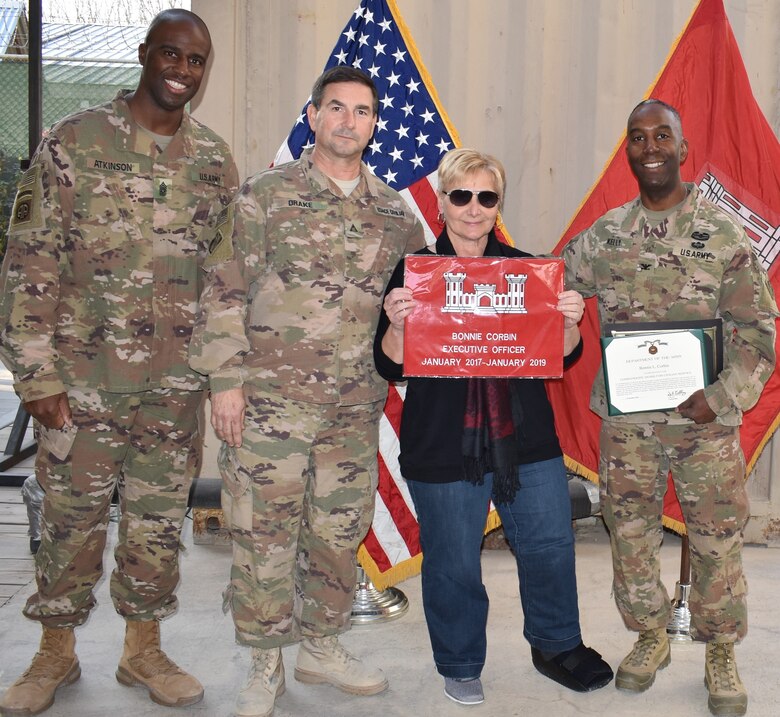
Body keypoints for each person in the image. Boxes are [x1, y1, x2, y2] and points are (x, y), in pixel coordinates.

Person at [0, 9, 238, 715]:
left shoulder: (211, 159)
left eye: (195, 61)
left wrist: (218, 371)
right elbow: (28, 262)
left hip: (173, 387)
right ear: (144, 54)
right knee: (72, 520)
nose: (182, 71)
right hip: (85, 383)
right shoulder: (74, 141)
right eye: (171, 54)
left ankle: (143, 650)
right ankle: (54, 653)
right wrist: (35, 375)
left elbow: (224, 276)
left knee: (157, 521)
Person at [187, 66, 426, 717]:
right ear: (315, 115)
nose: (350, 121)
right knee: (263, 534)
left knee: (336, 530)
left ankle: (320, 644)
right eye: (338, 108)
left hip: (354, 407)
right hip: (269, 406)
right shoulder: (266, 195)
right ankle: (266, 661)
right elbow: (224, 290)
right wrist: (226, 384)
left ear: (375, 125)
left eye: (363, 111)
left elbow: (425, 296)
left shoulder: (393, 213)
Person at [373, 148, 614, 706]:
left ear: (498, 204)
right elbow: (389, 362)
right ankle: (459, 661)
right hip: (441, 441)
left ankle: (556, 645)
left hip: (525, 439)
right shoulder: (415, 273)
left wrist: (571, 321)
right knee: (454, 559)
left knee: (551, 545)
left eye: (487, 197)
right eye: (462, 196)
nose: (474, 209)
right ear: (442, 203)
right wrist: (397, 321)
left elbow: (562, 354)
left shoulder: (529, 271)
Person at [562, 99, 778, 717]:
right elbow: (553, 295)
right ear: (627, 152)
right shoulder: (604, 235)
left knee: (716, 538)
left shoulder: (723, 233)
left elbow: (756, 330)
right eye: (638, 137)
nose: (650, 146)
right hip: (629, 425)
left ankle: (720, 647)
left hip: (703, 422)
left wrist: (720, 397)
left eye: (663, 136)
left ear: (683, 150)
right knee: (629, 535)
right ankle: (651, 635)